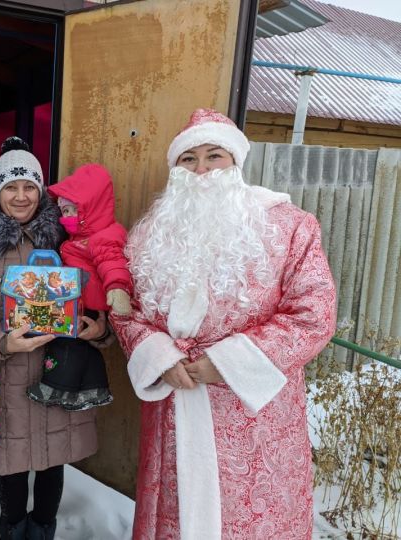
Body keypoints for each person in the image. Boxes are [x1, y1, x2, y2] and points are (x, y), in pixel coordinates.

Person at [111, 109, 337, 539]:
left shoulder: (290, 227)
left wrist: (228, 362)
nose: (201, 170)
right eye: (189, 159)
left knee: (249, 521)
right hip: (174, 407)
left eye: (214, 156)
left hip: (254, 421)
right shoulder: (150, 234)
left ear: (235, 161)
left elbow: (314, 314)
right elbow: (127, 312)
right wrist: (159, 357)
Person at [0, 136, 108, 539]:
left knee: (55, 462)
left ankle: (43, 531)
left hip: (60, 371)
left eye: (29, 187)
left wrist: (99, 326)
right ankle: (13, 531)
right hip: (7, 370)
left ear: (40, 189)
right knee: (12, 468)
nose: (21, 196)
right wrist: (1, 340)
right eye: (11, 187)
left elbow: (93, 289)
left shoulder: (64, 235)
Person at [26, 163, 132, 410]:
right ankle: (94, 389)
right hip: (79, 301)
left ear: (90, 208)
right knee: (87, 351)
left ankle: (54, 387)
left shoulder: (103, 237)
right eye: (63, 211)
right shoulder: (77, 238)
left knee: (64, 345)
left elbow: (113, 263)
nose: (66, 218)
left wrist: (117, 289)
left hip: (86, 305)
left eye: (72, 210)